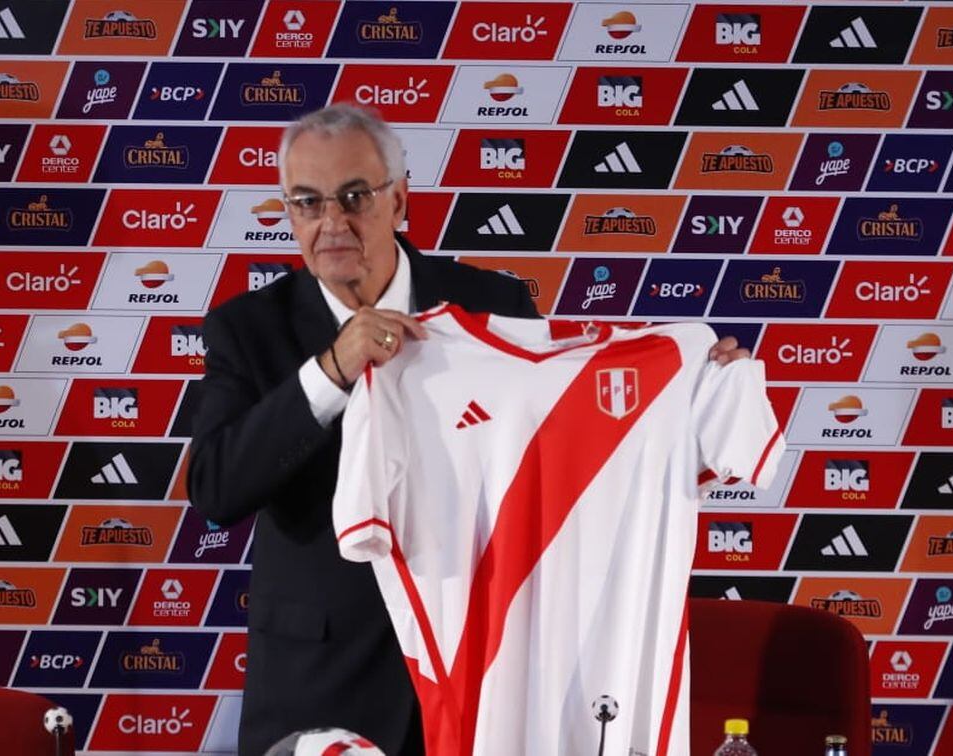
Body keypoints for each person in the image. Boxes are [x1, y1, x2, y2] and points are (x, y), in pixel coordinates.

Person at [187, 104, 749, 756]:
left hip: (487, 666)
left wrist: (693, 393)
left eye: (354, 197)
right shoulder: (250, 328)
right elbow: (217, 488)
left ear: (400, 201)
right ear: (288, 213)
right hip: (321, 680)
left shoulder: (495, 306)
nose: (332, 222)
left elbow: (568, 429)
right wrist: (333, 370)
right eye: (307, 203)